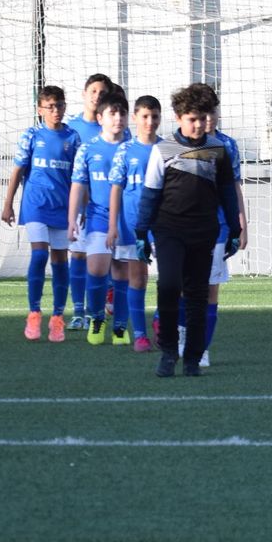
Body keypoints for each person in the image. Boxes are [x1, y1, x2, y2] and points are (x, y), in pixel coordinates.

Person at [133, 84, 241, 378]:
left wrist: (234, 229)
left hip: (203, 231)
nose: (199, 124)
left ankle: (192, 357)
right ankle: (168, 352)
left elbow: (228, 193)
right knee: (169, 286)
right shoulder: (163, 150)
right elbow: (150, 194)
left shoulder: (218, 150)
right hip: (169, 231)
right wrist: (141, 233)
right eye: (192, 119)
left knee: (197, 295)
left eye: (203, 118)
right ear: (179, 118)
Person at [0, 86, 81, 343]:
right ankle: (34, 313)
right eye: (50, 106)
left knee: (60, 260)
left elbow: (79, 178)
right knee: (39, 254)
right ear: (40, 109)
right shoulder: (31, 135)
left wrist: (80, 209)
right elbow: (18, 170)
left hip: (62, 207)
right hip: (36, 205)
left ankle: (57, 317)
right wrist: (8, 203)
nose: (56, 111)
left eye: (60, 105)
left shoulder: (73, 137)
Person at [188, 87, 247, 369]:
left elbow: (234, 187)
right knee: (184, 288)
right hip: (185, 226)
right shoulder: (179, 144)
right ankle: (180, 335)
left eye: (212, 111)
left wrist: (241, 223)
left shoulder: (228, 145)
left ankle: (201, 348)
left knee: (210, 290)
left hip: (218, 226)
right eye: (203, 112)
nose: (209, 118)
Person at [68, 88, 130, 346]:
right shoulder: (88, 149)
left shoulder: (133, 148)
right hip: (98, 217)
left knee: (122, 273)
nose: (118, 118)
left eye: (122, 113)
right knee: (96, 268)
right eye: (113, 113)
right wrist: (72, 219)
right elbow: (78, 185)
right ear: (100, 118)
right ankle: (96, 318)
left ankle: (120, 327)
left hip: (128, 219)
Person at [107, 95, 161, 352]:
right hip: (132, 225)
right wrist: (112, 226)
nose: (150, 122)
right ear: (136, 118)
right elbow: (116, 188)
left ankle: (161, 320)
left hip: (162, 224)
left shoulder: (167, 148)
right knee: (138, 279)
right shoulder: (125, 150)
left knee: (169, 279)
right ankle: (140, 334)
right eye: (145, 116)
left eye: (155, 116)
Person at [65, 72, 113, 329]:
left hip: (104, 208)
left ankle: (104, 306)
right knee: (78, 255)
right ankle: (78, 312)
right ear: (84, 94)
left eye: (102, 92)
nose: (97, 96)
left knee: (107, 260)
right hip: (79, 206)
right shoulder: (71, 128)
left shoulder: (114, 127)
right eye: (93, 91)